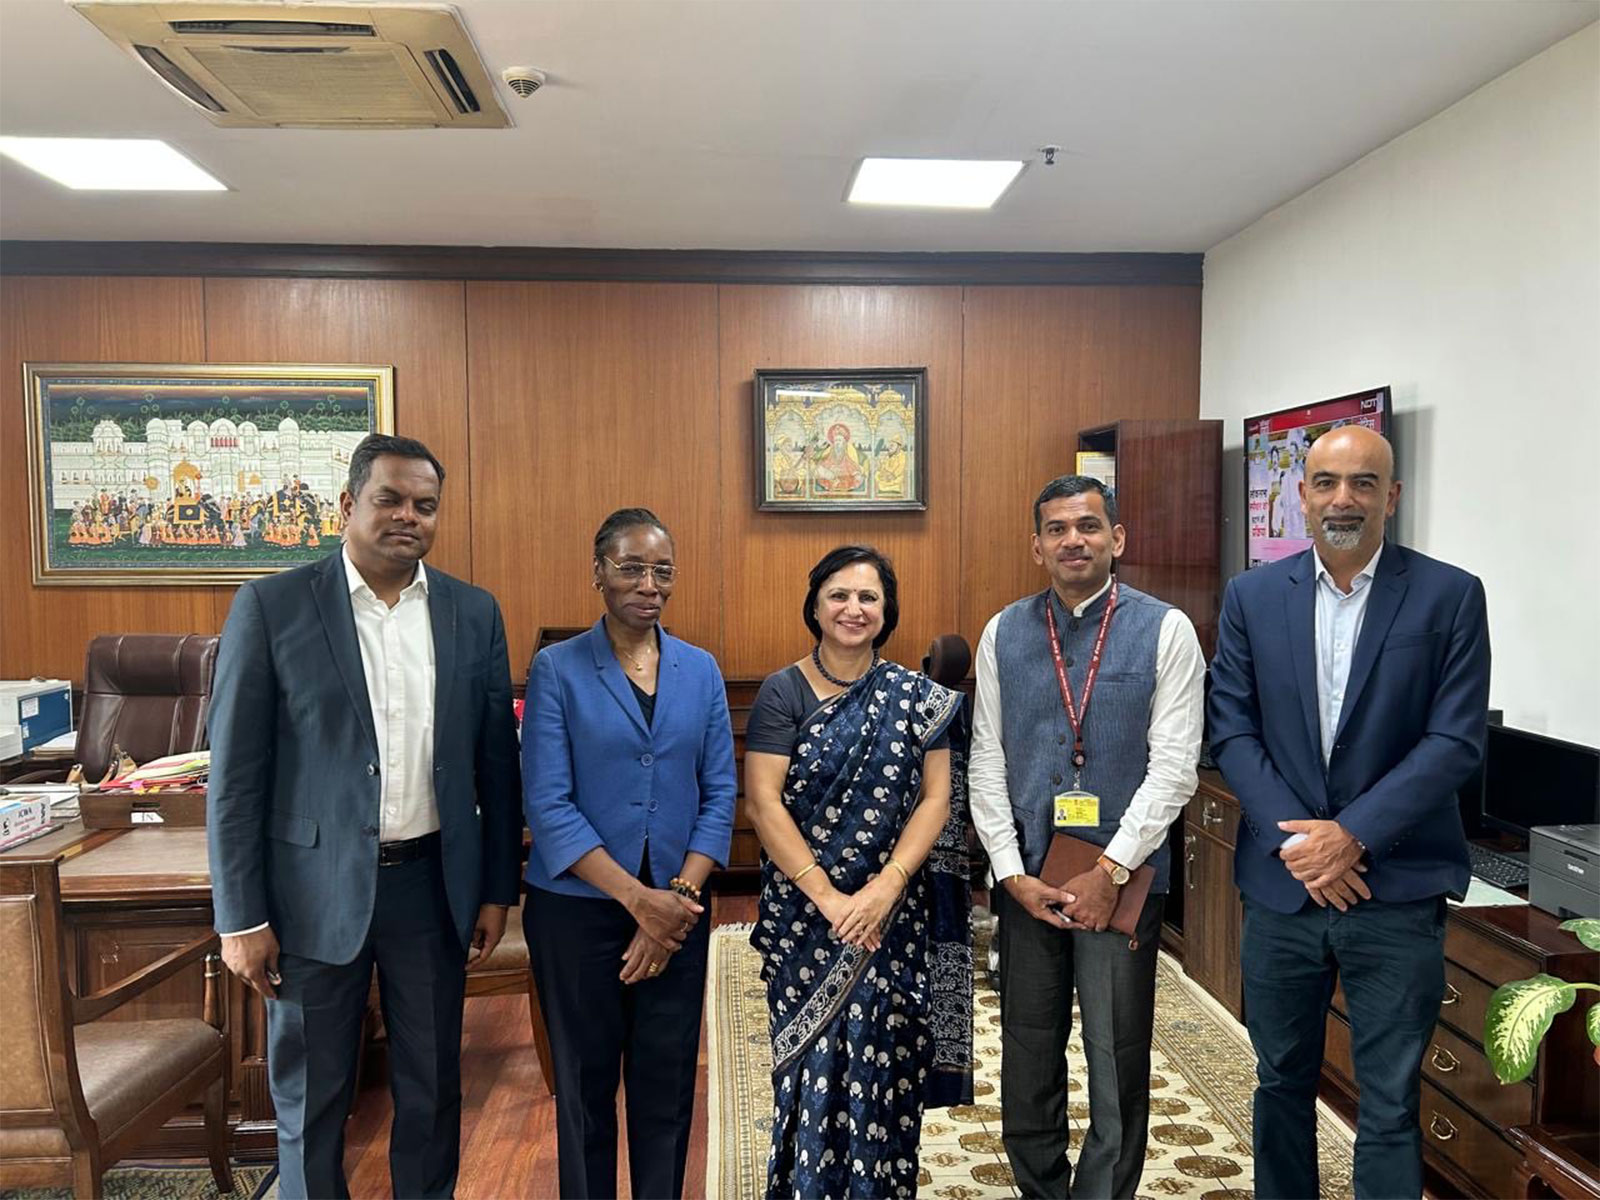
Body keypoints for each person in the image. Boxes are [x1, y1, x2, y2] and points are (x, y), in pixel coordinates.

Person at [207, 434, 522, 1200]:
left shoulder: (472, 613)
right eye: (390, 499)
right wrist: (240, 917)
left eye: (425, 505)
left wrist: (494, 890)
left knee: (433, 1085)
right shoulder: (273, 606)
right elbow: (235, 778)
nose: (407, 516)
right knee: (311, 1097)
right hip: (310, 894)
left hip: (429, 887)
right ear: (349, 506)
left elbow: (494, 765)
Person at [1208, 425, 1490, 1200]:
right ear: (1300, 496)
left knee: (1391, 1104)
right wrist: (1307, 845)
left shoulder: (1449, 595)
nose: (1343, 499)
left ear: (1391, 497)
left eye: (1364, 483)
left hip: (1394, 891)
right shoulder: (1253, 596)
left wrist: (1352, 836)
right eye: (1326, 482)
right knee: (1280, 1082)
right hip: (1282, 889)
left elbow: (1455, 741)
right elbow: (1230, 725)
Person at [969, 474, 1204, 1199]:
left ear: (1117, 539)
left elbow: (1175, 768)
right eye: (1058, 529)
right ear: (1037, 545)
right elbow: (986, 758)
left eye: (1090, 526)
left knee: (1117, 1055)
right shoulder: (1003, 631)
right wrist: (1010, 872)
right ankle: (1041, 1189)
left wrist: (1110, 871)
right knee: (1028, 1052)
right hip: (1029, 883)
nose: (1075, 539)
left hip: (1122, 886)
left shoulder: (1166, 629)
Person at [521, 507, 736, 1200]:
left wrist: (675, 898)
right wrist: (641, 903)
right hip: (580, 912)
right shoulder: (556, 669)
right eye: (631, 567)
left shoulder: (700, 670)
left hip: (679, 906)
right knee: (585, 1087)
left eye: (662, 570)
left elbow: (720, 794)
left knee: (666, 1084)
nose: (649, 583)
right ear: (599, 574)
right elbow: (548, 806)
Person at [745, 544, 965, 1199]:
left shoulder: (918, 699)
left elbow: (936, 798)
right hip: (806, 920)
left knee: (887, 1062)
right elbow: (762, 800)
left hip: (892, 918)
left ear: (886, 611)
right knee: (812, 1067)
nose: (853, 608)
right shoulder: (782, 691)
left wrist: (884, 887)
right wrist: (831, 899)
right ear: (814, 604)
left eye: (868, 597)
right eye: (839, 594)